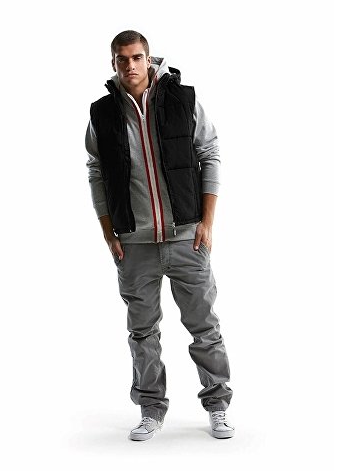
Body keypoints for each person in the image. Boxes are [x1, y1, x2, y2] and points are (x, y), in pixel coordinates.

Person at [85, 30, 234, 441]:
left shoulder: (182, 99)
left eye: (137, 57)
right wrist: (109, 233)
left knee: (205, 327)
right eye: (121, 59)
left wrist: (206, 223)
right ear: (113, 63)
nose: (130, 65)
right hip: (134, 244)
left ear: (149, 59)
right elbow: (96, 173)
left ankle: (218, 405)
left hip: (187, 237)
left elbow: (209, 154)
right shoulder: (102, 112)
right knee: (142, 333)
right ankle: (151, 409)